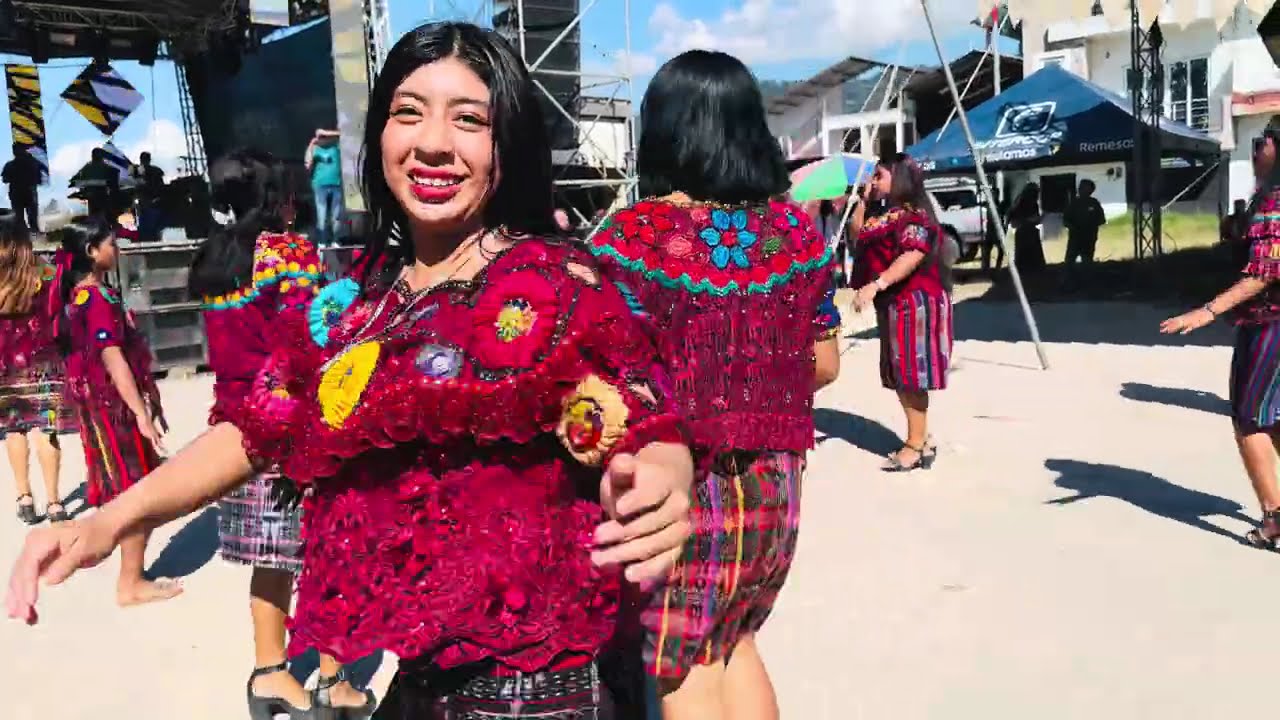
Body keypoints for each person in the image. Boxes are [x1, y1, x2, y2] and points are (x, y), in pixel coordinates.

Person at [7, 23, 694, 720]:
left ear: (506, 146)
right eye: (408, 112)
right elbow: (256, 429)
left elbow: (643, 413)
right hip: (420, 687)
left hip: (544, 697)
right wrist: (104, 522)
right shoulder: (360, 307)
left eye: (469, 120)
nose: (432, 142)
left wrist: (665, 473)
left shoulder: (559, 284)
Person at [587, 49, 841, 720]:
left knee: (684, 663)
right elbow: (827, 363)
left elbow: (603, 378)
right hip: (776, 484)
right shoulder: (797, 236)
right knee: (738, 642)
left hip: (685, 485)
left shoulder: (628, 239)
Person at [191, 149, 370, 719]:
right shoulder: (287, 252)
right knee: (328, 550)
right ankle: (332, 679)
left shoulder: (214, 256)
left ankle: (269, 672)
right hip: (292, 427)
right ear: (279, 197)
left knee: (273, 557)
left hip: (237, 429)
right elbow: (308, 335)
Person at [50, 215, 181, 606]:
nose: (116, 249)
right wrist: (140, 411)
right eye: (110, 243)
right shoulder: (97, 299)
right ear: (92, 252)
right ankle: (130, 582)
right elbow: (113, 358)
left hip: (98, 404)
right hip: (113, 407)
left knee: (127, 489)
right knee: (136, 491)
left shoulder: (81, 297)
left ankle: (130, 574)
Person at [1161, 128, 1280, 550]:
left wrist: (1208, 311)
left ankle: (1273, 520)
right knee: (1275, 418)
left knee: (1249, 419)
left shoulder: (1274, 201)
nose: (1256, 149)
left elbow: (1264, 272)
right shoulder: (1261, 202)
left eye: (1263, 142)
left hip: (1269, 324)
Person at [851, 153, 953, 472]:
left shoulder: (914, 215)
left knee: (910, 374)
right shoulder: (886, 214)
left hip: (915, 301)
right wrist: (862, 200)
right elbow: (858, 234)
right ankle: (920, 435)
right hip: (895, 303)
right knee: (900, 373)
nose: (874, 181)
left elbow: (912, 254)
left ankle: (915, 443)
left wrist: (876, 285)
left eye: (879, 175)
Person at [0, 213, 74, 525]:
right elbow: (61, 310)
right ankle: (55, 502)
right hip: (45, 362)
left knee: (14, 429)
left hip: (4, 364)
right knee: (47, 431)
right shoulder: (48, 273)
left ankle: (25, 497)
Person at [305, 129, 343, 247]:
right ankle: (322, 241)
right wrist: (312, 144)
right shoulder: (316, 149)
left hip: (335, 184)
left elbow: (342, 134)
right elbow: (308, 164)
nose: (322, 138)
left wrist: (324, 133)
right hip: (320, 185)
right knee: (322, 215)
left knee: (336, 215)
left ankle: (335, 240)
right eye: (321, 137)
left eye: (324, 137)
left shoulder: (336, 147)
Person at [1063, 179, 1106, 270]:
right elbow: (1065, 220)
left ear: (1090, 190)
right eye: (1080, 187)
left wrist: (1090, 225)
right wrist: (1073, 227)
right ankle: (1068, 281)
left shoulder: (1094, 203)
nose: (1080, 189)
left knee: (1087, 262)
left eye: (1083, 187)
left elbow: (1102, 220)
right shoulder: (1074, 203)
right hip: (1075, 238)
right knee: (1069, 262)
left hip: (1089, 238)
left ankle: (1086, 280)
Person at [1007, 182, 1045, 273]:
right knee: (1026, 255)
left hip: (1026, 232)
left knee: (1026, 255)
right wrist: (1030, 220)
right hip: (1025, 232)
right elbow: (1014, 219)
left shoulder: (1022, 202)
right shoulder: (1022, 202)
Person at [2, 143, 40, 233]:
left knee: (21, 218)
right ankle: (30, 235)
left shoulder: (10, 165)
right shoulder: (32, 162)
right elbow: (38, 178)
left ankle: (26, 236)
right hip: (26, 193)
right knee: (28, 217)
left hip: (19, 193)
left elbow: (5, 179)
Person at [131, 152, 166, 242]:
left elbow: (133, 185)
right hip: (151, 200)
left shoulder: (136, 171)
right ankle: (152, 237)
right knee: (152, 224)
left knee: (142, 223)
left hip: (144, 200)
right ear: (149, 159)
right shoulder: (156, 171)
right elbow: (161, 186)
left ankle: (144, 237)